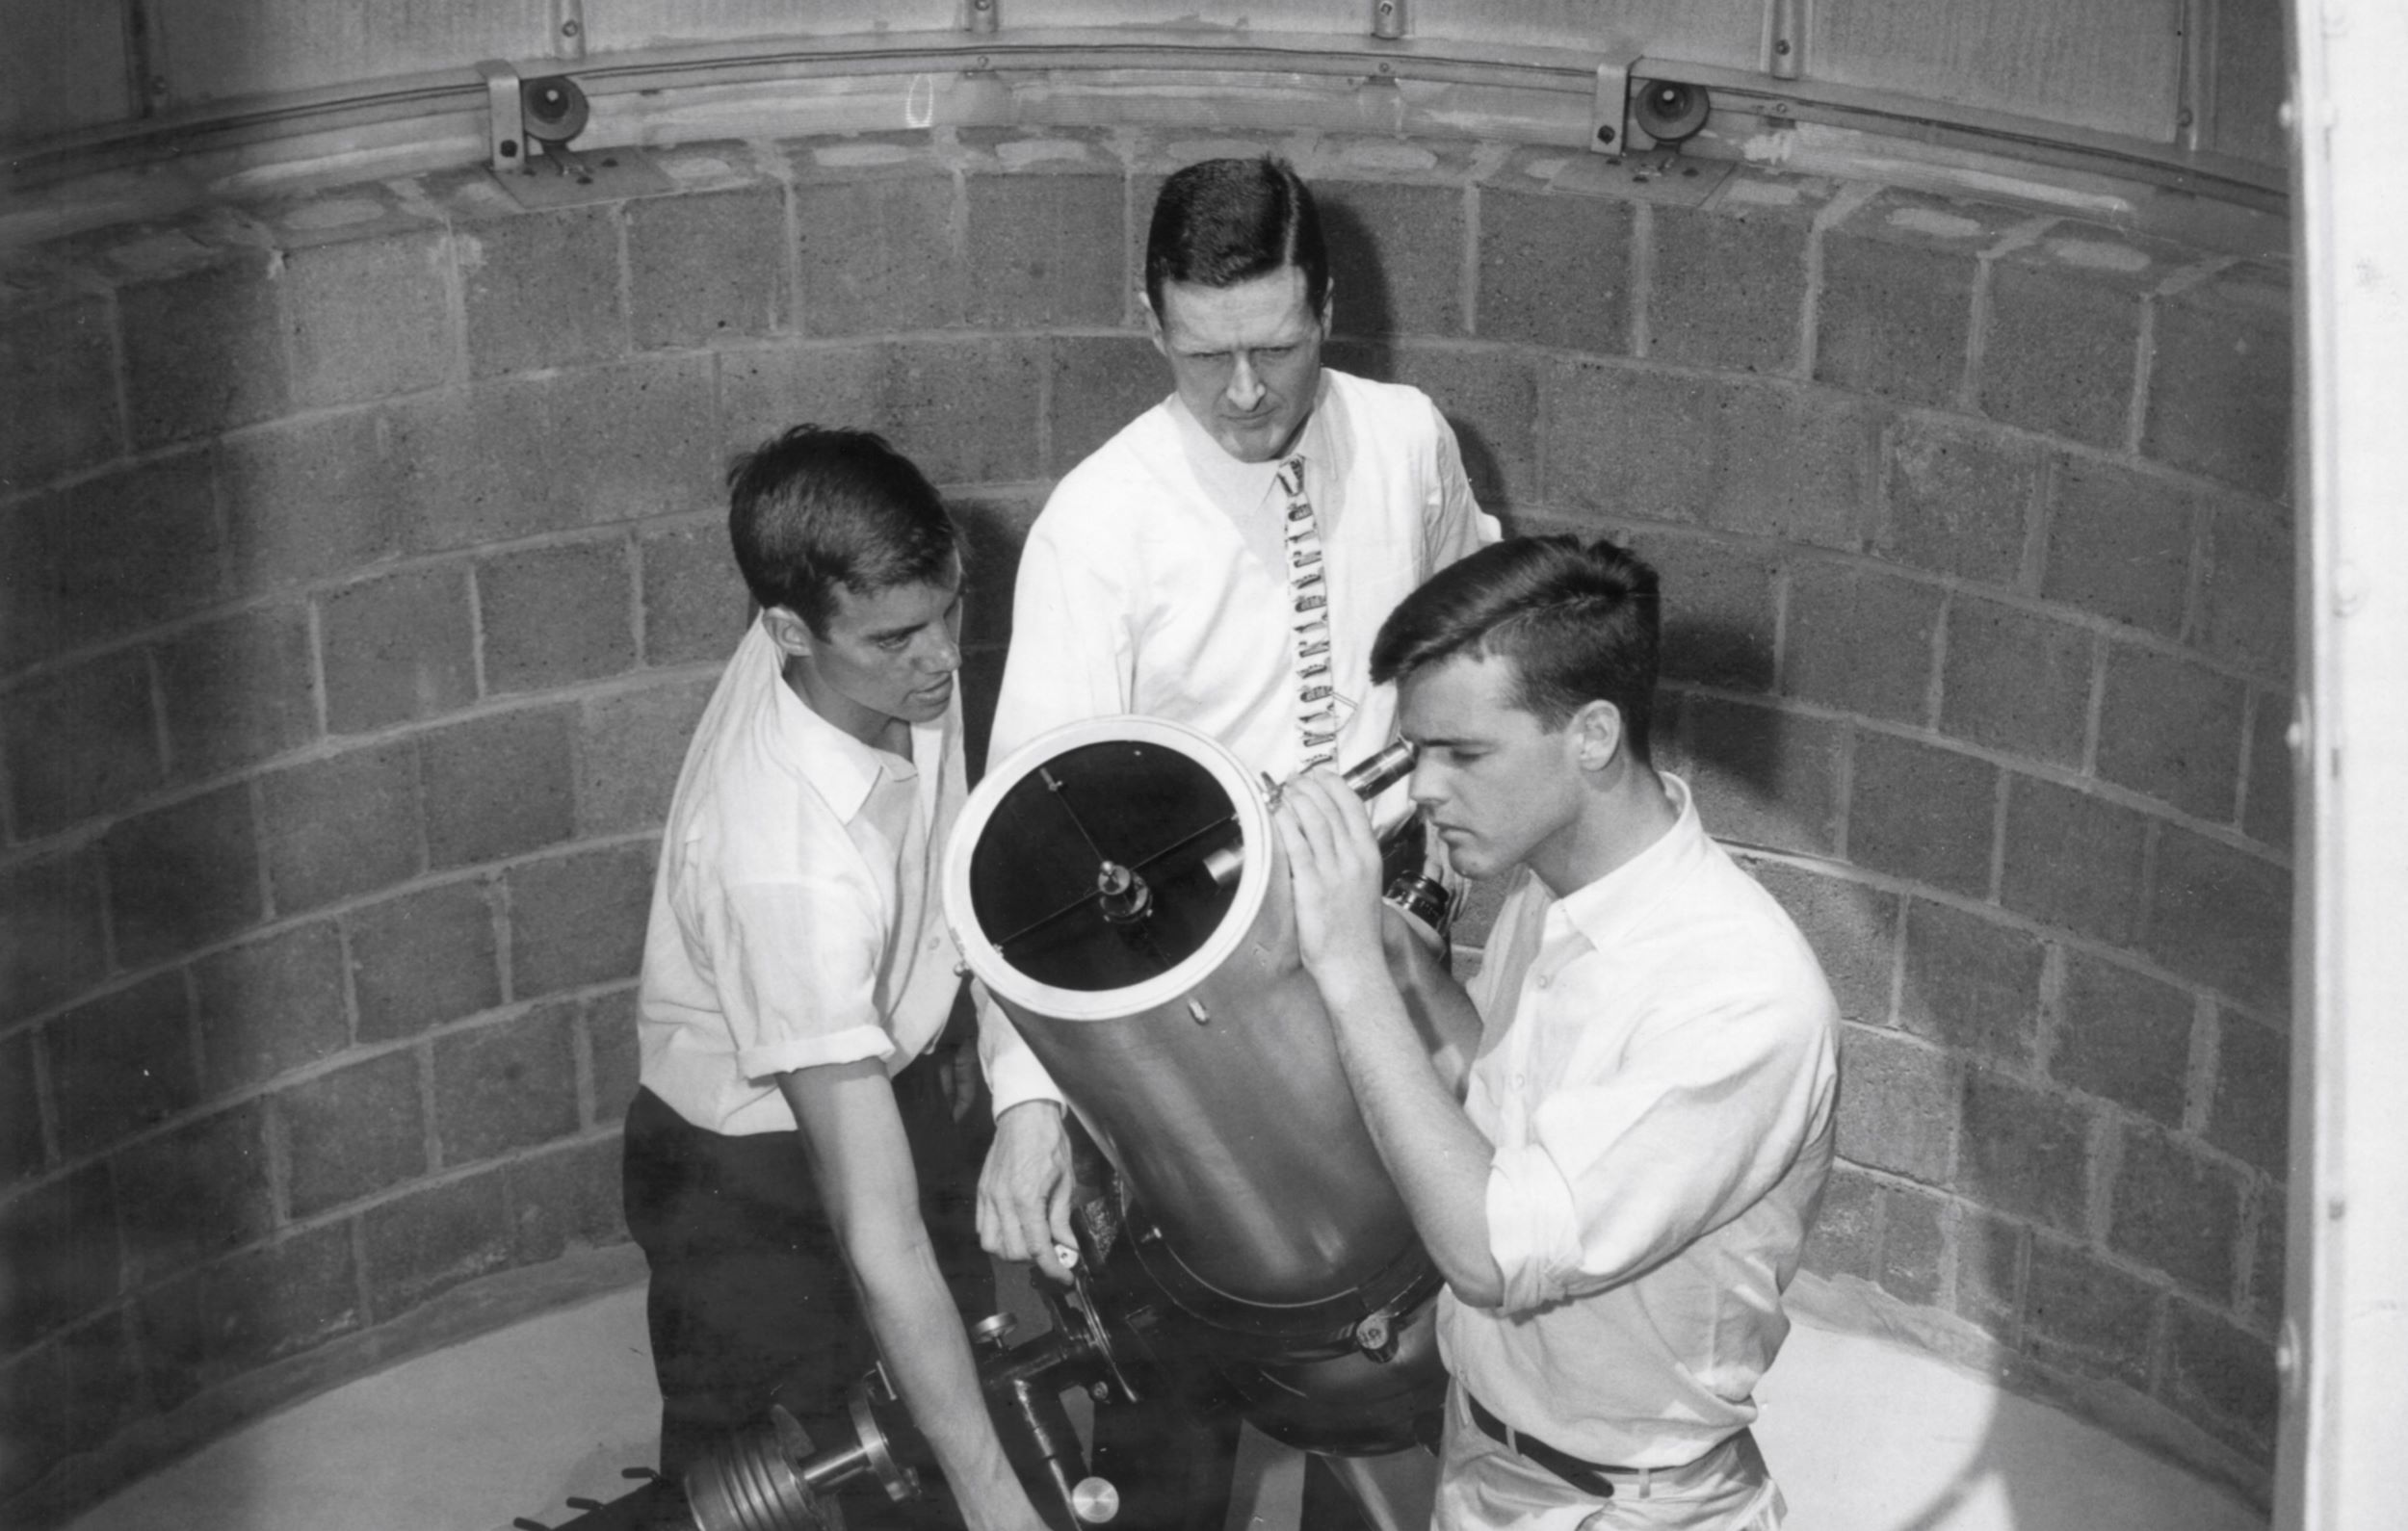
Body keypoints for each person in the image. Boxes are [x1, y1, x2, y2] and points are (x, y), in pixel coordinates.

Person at [968, 152, 1499, 1528]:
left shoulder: (1406, 438)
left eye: (1276, 344)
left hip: (1389, 950)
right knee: (1175, 1418)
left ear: (1327, 306)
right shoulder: (1101, 529)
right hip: (1203, 1007)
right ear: (1151, 326)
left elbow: (1472, 631)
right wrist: (1030, 1105)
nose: (1247, 392)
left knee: (1389, 1378)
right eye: (1206, 357)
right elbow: (1028, 844)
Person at [1274, 535, 1840, 1531]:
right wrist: (1397, 955)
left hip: (1630, 1511)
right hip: (1487, 1463)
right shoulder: (1559, 891)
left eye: (1461, 753)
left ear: (1590, 734)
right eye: (1416, 752)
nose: (1423, 792)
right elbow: (1491, 1120)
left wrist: (1352, 974)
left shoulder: (1737, 993)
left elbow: (1492, 1254)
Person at [620, 425, 1048, 1531]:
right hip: (742, 1183)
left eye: (950, 606)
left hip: (885, 1075)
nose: (942, 658)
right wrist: (995, 1500)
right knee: (770, 1498)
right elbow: (879, 1234)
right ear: (785, 634)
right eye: (898, 636)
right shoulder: (783, 867)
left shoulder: (865, 638)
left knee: (939, 1417)